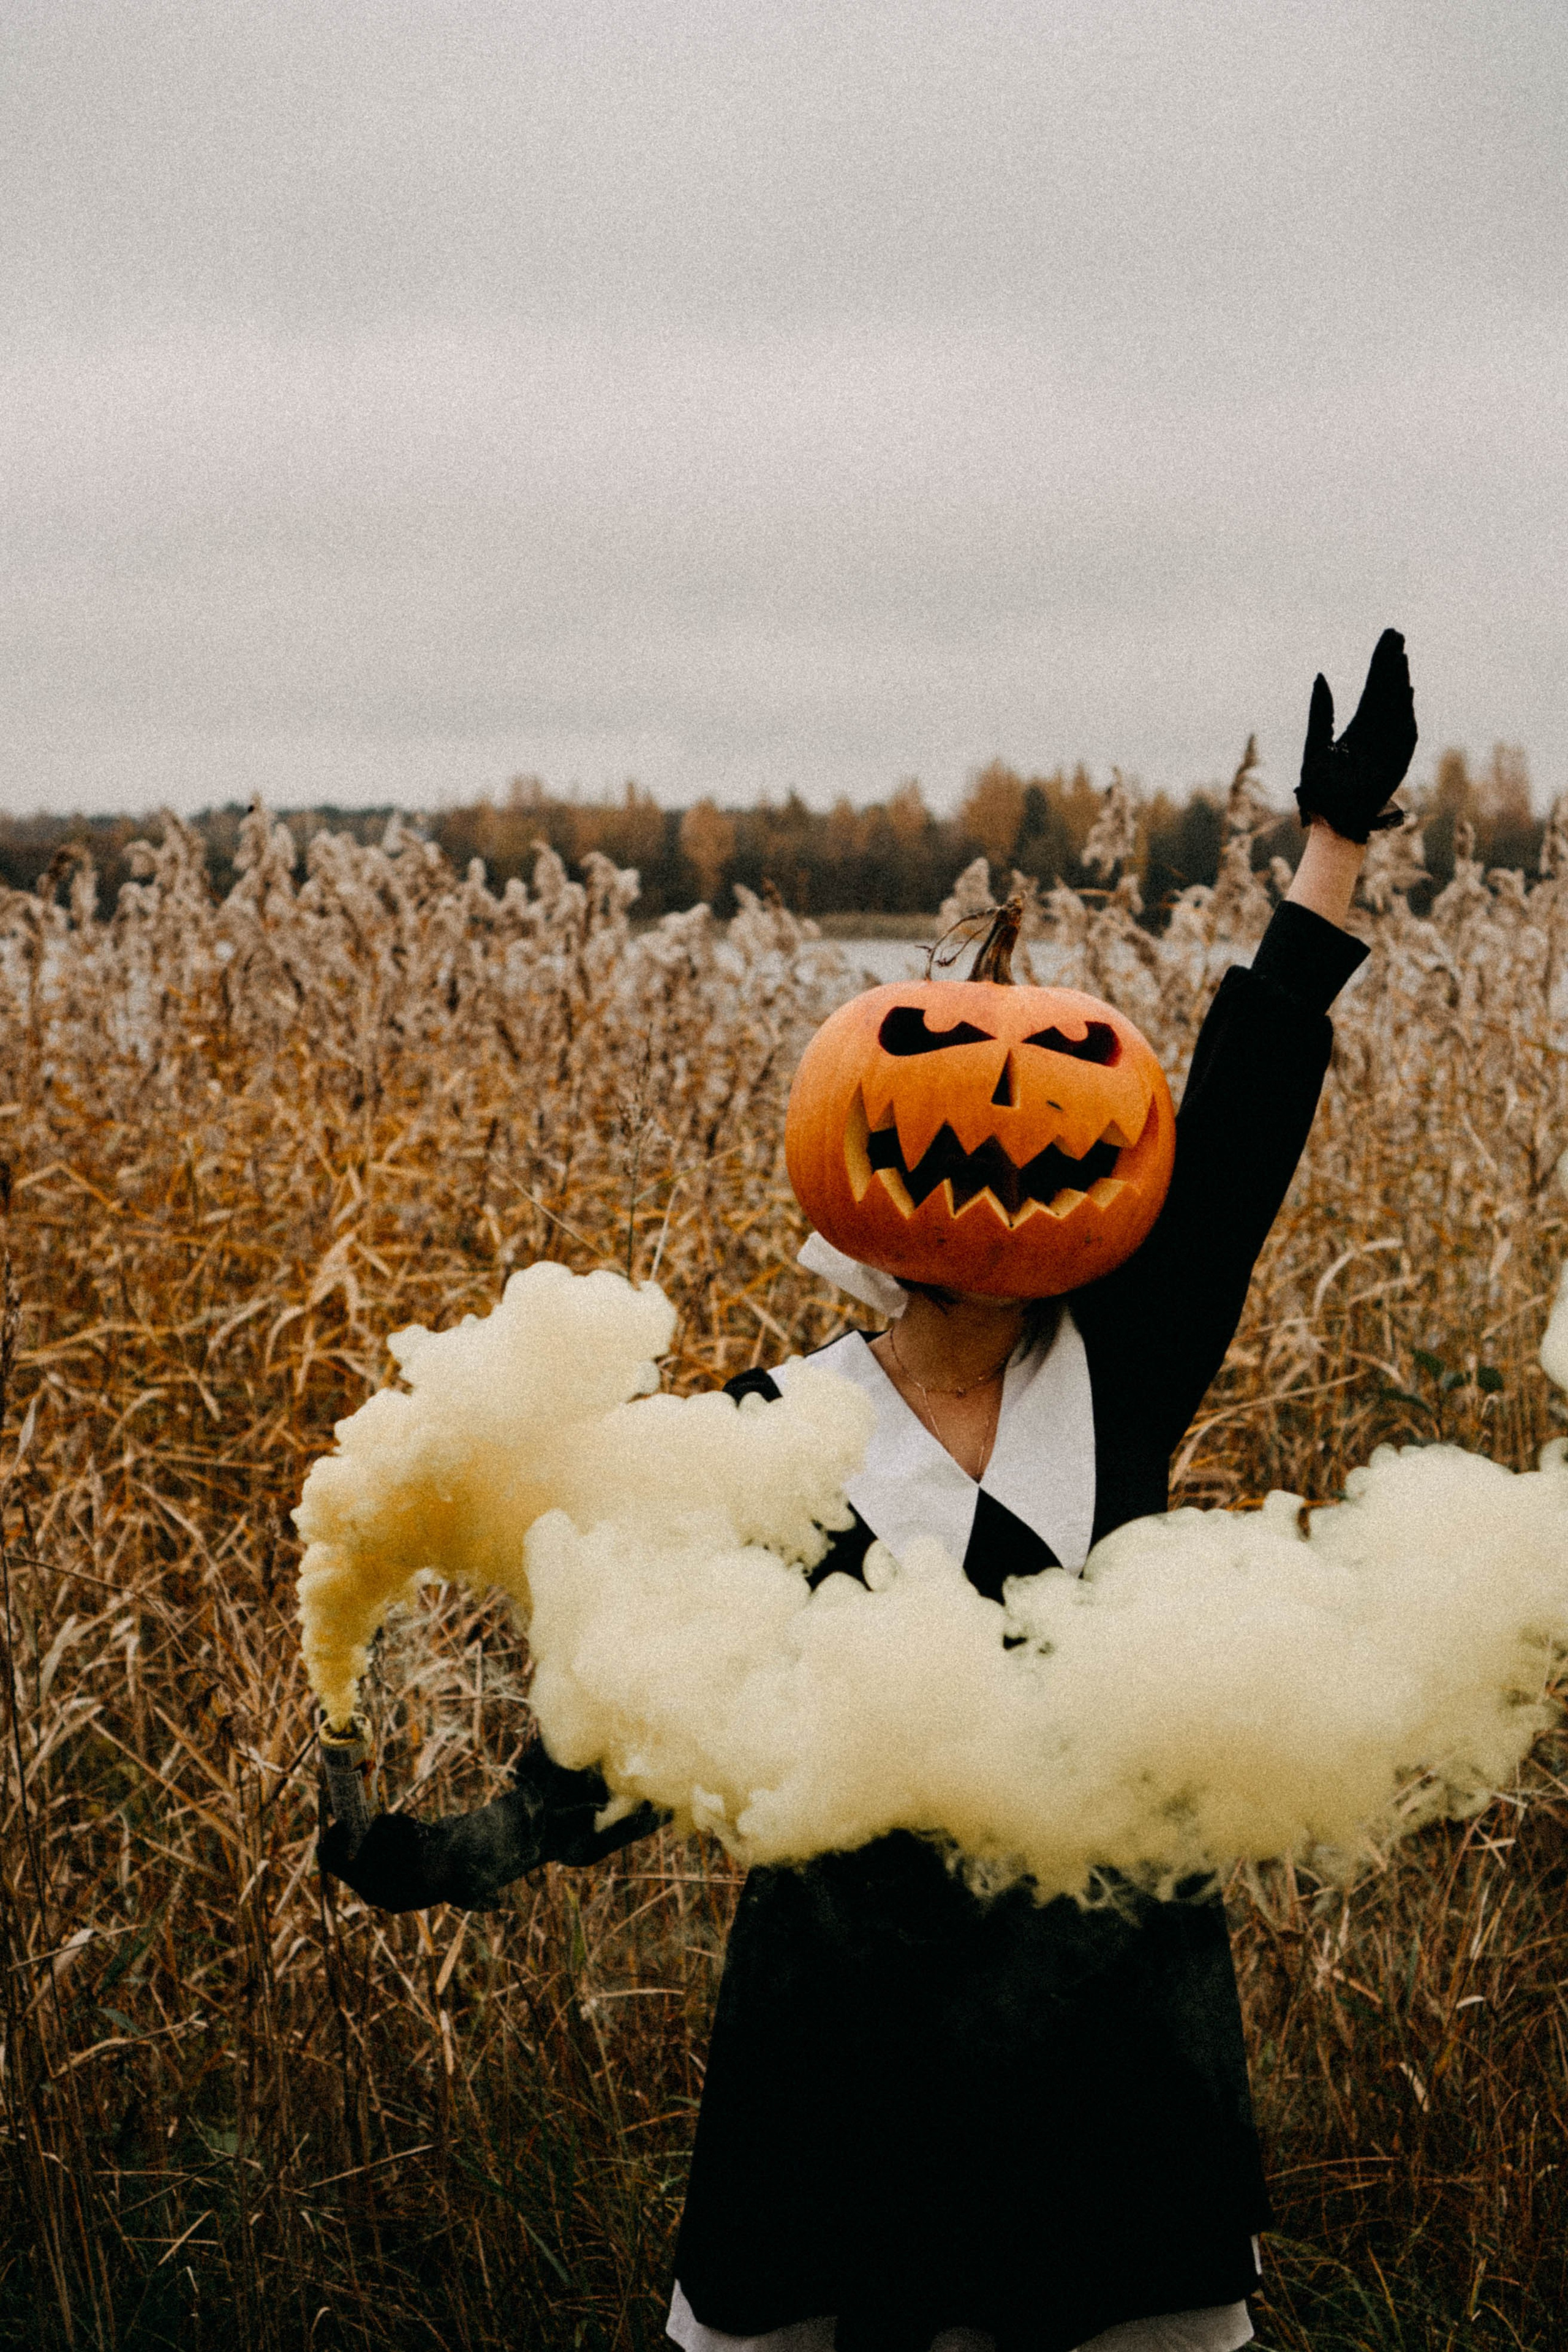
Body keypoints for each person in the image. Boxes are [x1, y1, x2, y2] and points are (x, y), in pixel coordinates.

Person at [321, 633, 1418, 2352]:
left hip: (1112, 2036)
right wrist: (472, 1849)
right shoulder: (773, 1430)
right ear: (860, 1184)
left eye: (1056, 1101)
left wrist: (1335, 842)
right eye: (940, 1091)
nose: (1001, 1140)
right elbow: (638, 1715)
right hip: (844, 2057)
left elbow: (1251, 1106)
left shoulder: (1122, 1375)